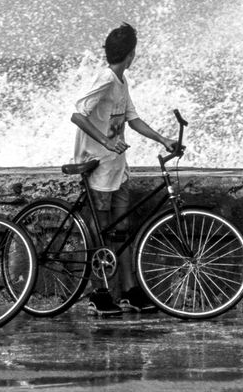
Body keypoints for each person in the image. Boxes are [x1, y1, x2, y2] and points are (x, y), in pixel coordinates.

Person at [70, 22, 180, 316]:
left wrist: (163, 139)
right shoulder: (104, 79)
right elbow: (77, 116)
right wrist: (105, 141)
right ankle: (100, 292)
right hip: (97, 169)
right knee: (100, 233)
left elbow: (133, 119)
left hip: (117, 169)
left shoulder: (121, 81)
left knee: (122, 232)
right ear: (131, 54)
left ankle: (130, 292)